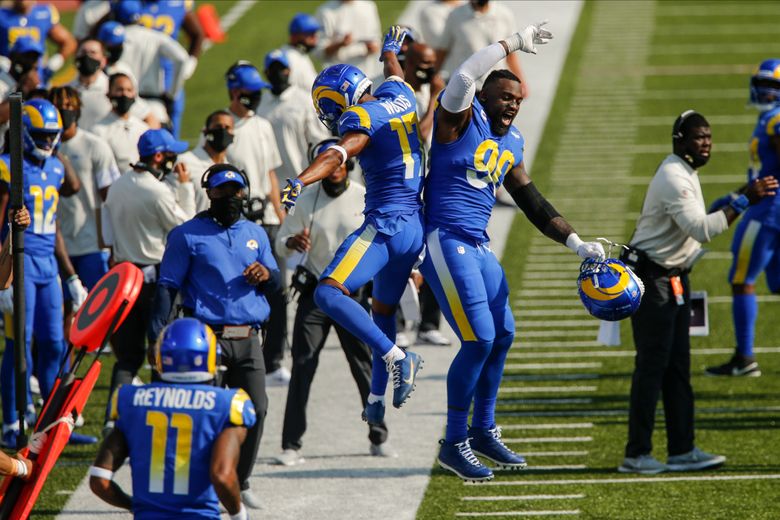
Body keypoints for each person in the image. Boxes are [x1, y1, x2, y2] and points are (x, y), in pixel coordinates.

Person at [419, 26, 605, 482]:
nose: (512, 104)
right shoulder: (459, 119)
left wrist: (577, 242)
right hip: (445, 238)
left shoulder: (513, 141)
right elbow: (463, 75)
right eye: (504, 97)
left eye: (517, 99)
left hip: (478, 245)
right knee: (479, 339)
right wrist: (513, 42)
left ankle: (482, 429)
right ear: (483, 97)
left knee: (503, 335)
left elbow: (531, 200)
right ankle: (453, 442)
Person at [618, 110, 778, 474]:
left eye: (708, 137)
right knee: (651, 370)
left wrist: (738, 196)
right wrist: (744, 200)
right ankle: (636, 453)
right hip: (654, 280)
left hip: (673, 280)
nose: (706, 143)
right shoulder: (675, 176)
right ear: (679, 140)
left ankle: (681, 449)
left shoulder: (683, 171)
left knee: (677, 369)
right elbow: (701, 229)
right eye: (698, 137)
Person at [281, 26, 425, 425]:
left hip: (385, 226)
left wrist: (302, 179)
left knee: (327, 294)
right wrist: (390, 49)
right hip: (415, 228)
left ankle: (399, 357)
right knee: (380, 315)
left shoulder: (358, 116)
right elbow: (394, 71)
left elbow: (342, 152)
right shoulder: (401, 95)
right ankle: (376, 398)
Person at [150, 163, 279, 510]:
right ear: (209, 193)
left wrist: (265, 273)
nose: (230, 197)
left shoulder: (256, 233)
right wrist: (157, 336)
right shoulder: (187, 234)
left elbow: (276, 282)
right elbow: (167, 287)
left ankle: (241, 478)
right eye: (222, 191)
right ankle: (196, 483)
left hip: (249, 336)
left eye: (236, 190)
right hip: (206, 336)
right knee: (203, 411)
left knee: (257, 409)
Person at [275, 138, 393, 466]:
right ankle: (291, 443)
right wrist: (291, 241)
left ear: (348, 164)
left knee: (364, 366)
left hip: (352, 294)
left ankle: (378, 434)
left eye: (339, 162)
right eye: (328, 164)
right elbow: (280, 243)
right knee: (302, 364)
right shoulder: (305, 199)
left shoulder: (363, 197)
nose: (336, 169)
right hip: (316, 291)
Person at [90, 318, 256, 520]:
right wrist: (239, 514)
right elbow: (222, 475)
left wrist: (134, 505)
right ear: (211, 358)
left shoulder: (131, 399)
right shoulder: (229, 404)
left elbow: (99, 479)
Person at [0, 99, 90, 448]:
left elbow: (71, 191)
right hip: (18, 260)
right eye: (42, 135)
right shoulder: (7, 167)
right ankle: (10, 419)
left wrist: (70, 276)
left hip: (47, 264)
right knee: (17, 345)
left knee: (54, 343)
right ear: (24, 134)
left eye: (54, 135)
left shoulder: (53, 167)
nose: (50, 141)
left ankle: (50, 421)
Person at [100, 128, 192, 436]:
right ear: (157, 156)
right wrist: (186, 188)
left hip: (124, 278)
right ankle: (158, 419)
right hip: (155, 281)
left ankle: (113, 421)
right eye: (169, 155)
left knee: (127, 358)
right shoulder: (157, 191)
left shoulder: (116, 188)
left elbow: (107, 237)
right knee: (159, 351)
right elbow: (184, 229)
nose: (172, 161)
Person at [706, 59, 780, 378]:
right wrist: (738, 194)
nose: (765, 91)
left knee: (741, 280)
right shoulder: (768, 118)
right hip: (768, 206)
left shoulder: (774, 121)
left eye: (773, 86)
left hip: (767, 213)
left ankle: (745, 357)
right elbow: (766, 172)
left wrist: (746, 199)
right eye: (763, 83)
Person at [223, 61, 289, 386]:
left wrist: (281, 213)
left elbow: (270, 174)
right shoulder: (226, 126)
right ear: (235, 92)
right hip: (240, 222)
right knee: (241, 285)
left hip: (268, 219)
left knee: (278, 289)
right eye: (249, 92)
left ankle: (274, 359)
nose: (255, 98)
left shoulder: (262, 125)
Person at [49, 86, 120, 336]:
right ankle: (63, 370)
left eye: (69, 106)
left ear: (78, 110)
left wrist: (112, 244)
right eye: (58, 107)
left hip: (91, 245)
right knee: (61, 315)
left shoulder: (94, 146)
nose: (64, 112)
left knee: (99, 315)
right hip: (57, 246)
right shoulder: (42, 148)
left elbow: (110, 198)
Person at [109, 0, 190, 128]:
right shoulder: (154, 36)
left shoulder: (115, 38)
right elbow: (182, 58)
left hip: (122, 108)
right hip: (155, 109)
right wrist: (172, 94)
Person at [258, 49, 330, 184]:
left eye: (281, 69)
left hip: (305, 182)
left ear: (289, 70)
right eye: (273, 70)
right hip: (274, 186)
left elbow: (320, 141)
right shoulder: (260, 105)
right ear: (266, 73)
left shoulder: (305, 101)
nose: (278, 74)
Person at [136, 0, 204, 137]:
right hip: (137, 76)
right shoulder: (129, 4)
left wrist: (191, 62)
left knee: (171, 131)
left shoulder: (177, 4)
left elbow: (197, 34)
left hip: (168, 77)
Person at [432, 0, 529, 96]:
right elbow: (442, 50)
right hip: (464, 89)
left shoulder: (504, 14)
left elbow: (511, 55)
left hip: (495, 90)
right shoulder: (455, 15)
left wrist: (521, 82)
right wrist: (433, 77)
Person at [69, 38, 157, 132]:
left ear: (103, 60)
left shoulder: (114, 88)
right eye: (83, 52)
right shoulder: (67, 90)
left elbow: (150, 119)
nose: (87, 56)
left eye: (93, 53)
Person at [0, 0, 76, 84]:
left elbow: (69, 42)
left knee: (36, 96)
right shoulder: (2, 15)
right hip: (8, 78)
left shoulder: (44, 13)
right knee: (15, 95)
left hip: (36, 80)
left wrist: (54, 64)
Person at [176, 110, 234, 214]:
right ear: (206, 131)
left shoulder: (230, 170)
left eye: (227, 128)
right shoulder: (184, 162)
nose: (223, 131)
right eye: (218, 127)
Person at [92, 72, 152, 171]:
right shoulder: (99, 131)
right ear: (109, 94)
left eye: (129, 90)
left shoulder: (143, 128)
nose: (124, 94)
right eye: (119, 90)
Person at [316, 0, 382, 79]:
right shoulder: (325, 11)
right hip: (337, 77)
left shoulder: (369, 7)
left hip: (367, 74)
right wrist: (341, 44)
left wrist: (373, 47)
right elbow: (320, 52)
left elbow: (377, 40)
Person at [0, 36, 42, 152]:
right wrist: (23, 92)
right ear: (13, 57)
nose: (30, 62)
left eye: (34, 58)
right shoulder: (2, 84)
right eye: (27, 57)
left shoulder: (36, 84)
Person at [283, 13, 321, 92]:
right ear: (295, 37)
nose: (314, 38)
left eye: (314, 33)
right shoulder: (289, 58)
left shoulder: (299, 53)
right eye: (309, 34)